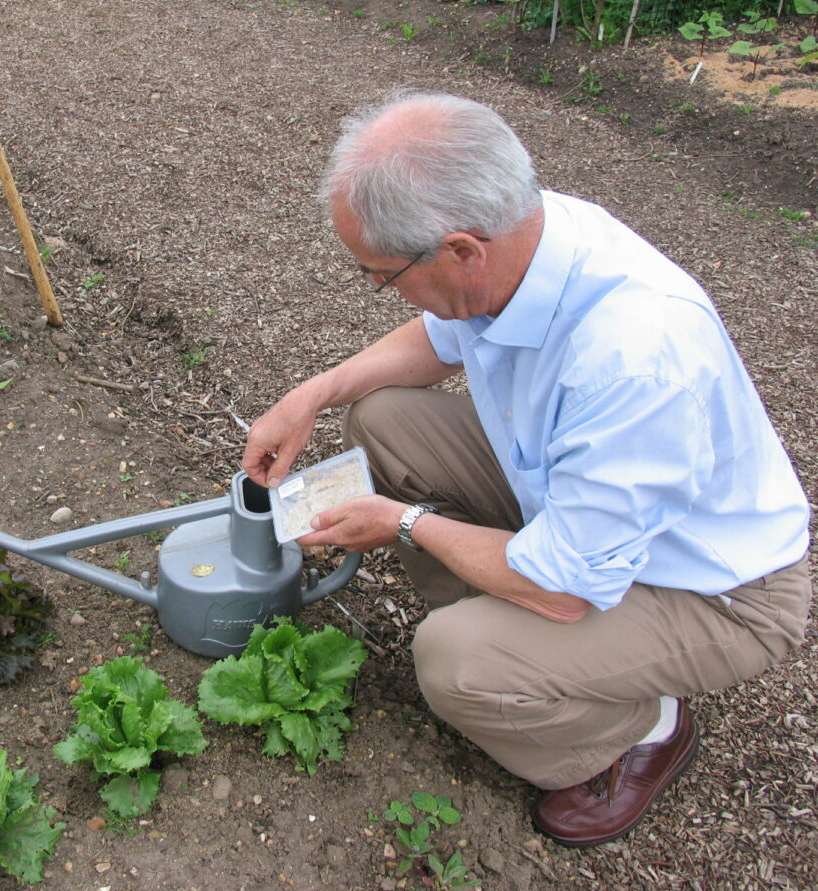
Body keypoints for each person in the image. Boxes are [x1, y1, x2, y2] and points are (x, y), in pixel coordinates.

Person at [241, 91, 812, 847]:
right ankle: (522, 636)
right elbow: (440, 337)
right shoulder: (527, 233)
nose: (384, 290)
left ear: (462, 251)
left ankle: (640, 726)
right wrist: (310, 395)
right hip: (581, 510)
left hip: (711, 586)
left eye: (382, 275)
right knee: (382, 415)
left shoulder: (634, 357)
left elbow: (566, 587)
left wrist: (405, 523)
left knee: (452, 663)